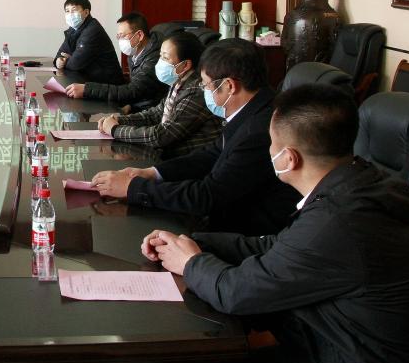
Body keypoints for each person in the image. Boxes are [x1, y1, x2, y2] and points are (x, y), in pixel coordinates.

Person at [144, 84, 409, 363]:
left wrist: (190, 262)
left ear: (288, 158)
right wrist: (195, 242)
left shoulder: (338, 220)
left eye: (270, 144)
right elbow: (278, 247)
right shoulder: (354, 185)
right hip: (338, 352)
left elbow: (236, 292)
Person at [91, 38, 299, 236]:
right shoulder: (256, 106)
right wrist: (152, 173)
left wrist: (133, 188)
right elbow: (212, 153)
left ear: (229, 86)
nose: (204, 90)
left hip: (247, 230)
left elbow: (208, 196)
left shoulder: (260, 130)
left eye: (206, 85)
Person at [94, 31, 220, 159]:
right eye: (160, 56)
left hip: (189, 161)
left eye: (165, 58)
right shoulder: (179, 82)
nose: (160, 62)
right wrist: (119, 120)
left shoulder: (196, 91)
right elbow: (155, 114)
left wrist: (115, 130)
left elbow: (162, 136)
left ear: (185, 65)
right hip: (170, 155)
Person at [64, 11, 167, 109]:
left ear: (139, 35)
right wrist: (131, 106)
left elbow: (133, 90)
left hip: (152, 113)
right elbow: (139, 90)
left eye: (123, 36)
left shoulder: (155, 58)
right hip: (140, 106)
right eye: (118, 36)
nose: (120, 40)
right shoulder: (134, 53)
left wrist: (87, 90)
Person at [52, 0, 123, 85]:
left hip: (107, 84)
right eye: (67, 11)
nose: (70, 14)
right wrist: (58, 60)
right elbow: (61, 53)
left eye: (74, 10)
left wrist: (67, 61)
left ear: (86, 12)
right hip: (89, 81)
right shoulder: (73, 29)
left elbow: (75, 64)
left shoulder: (93, 30)